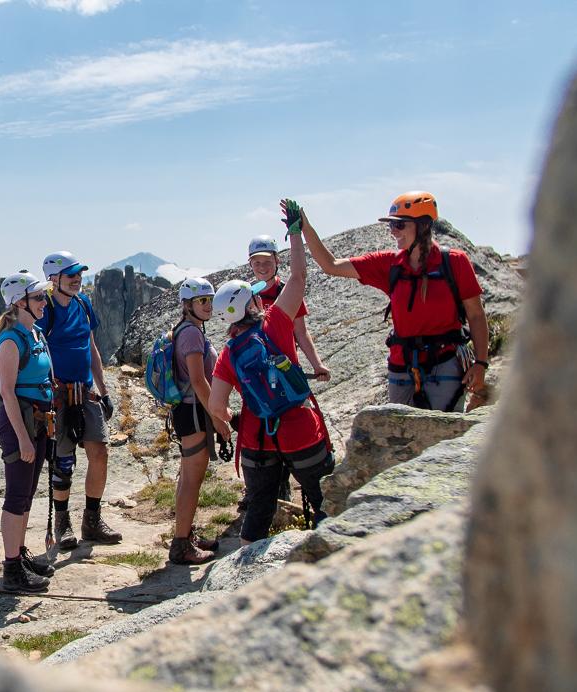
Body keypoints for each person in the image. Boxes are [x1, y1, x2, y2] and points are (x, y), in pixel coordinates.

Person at [208, 201, 334, 543]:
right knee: (326, 501)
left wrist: (235, 419)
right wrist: (295, 233)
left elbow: (216, 406)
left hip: (256, 437)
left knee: (259, 510)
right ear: (253, 303)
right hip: (301, 429)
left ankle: (247, 577)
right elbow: (298, 277)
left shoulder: (228, 354)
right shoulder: (275, 324)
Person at [296, 192, 490, 410]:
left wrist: (481, 364)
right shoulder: (390, 264)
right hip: (402, 366)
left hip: (444, 364)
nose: (393, 232)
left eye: (400, 225)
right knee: (401, 439)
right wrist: (305, 226)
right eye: (391, 226)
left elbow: (475, 315)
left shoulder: (454, 262)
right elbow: (330, 265)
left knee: (442, 436)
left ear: (423, 225)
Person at [39, 251, 121, 548]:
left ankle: (92, 519)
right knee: (63, 461)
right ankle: (63, 523)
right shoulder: (44, 309)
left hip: (85, 390)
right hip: (58, 396)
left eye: (79, 274)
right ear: (53, 278)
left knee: (99, 453)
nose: (77, 279)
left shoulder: (83, 303)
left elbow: (92, 348)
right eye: (71, 275)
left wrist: (105, 390)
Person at [0, 271, 57, 592]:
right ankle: (11, 568)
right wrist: (24, 438)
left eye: (44, 296)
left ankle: (19, 554)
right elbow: (7, 392)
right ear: (19, 301)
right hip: (22, 423)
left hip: (39, 420)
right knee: (17, 494)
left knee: (27, 493)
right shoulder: (10, 340)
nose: (45, 302)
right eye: (39, 297)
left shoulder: (36, 334)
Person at [166, 278, 233, 565]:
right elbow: (198, 379)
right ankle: (181, 545)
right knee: (192, 480)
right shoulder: (192, 334)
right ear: (188, 304)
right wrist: (218, 416)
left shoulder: (184, 330)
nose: (208, 305)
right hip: (195, 411)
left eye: (210, 300)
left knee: (187, 476)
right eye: (202, 301)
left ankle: (185, 534)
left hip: (187, 410)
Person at [246, 235, 331, 382]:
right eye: (257, 262)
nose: (262, 267)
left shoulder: (287, 292)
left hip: (287, 364)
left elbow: (301, 332)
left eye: (267, 262)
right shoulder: (245, 294)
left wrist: (317, 364)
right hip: (258, 371)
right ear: (250, 264)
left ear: (277, 260)